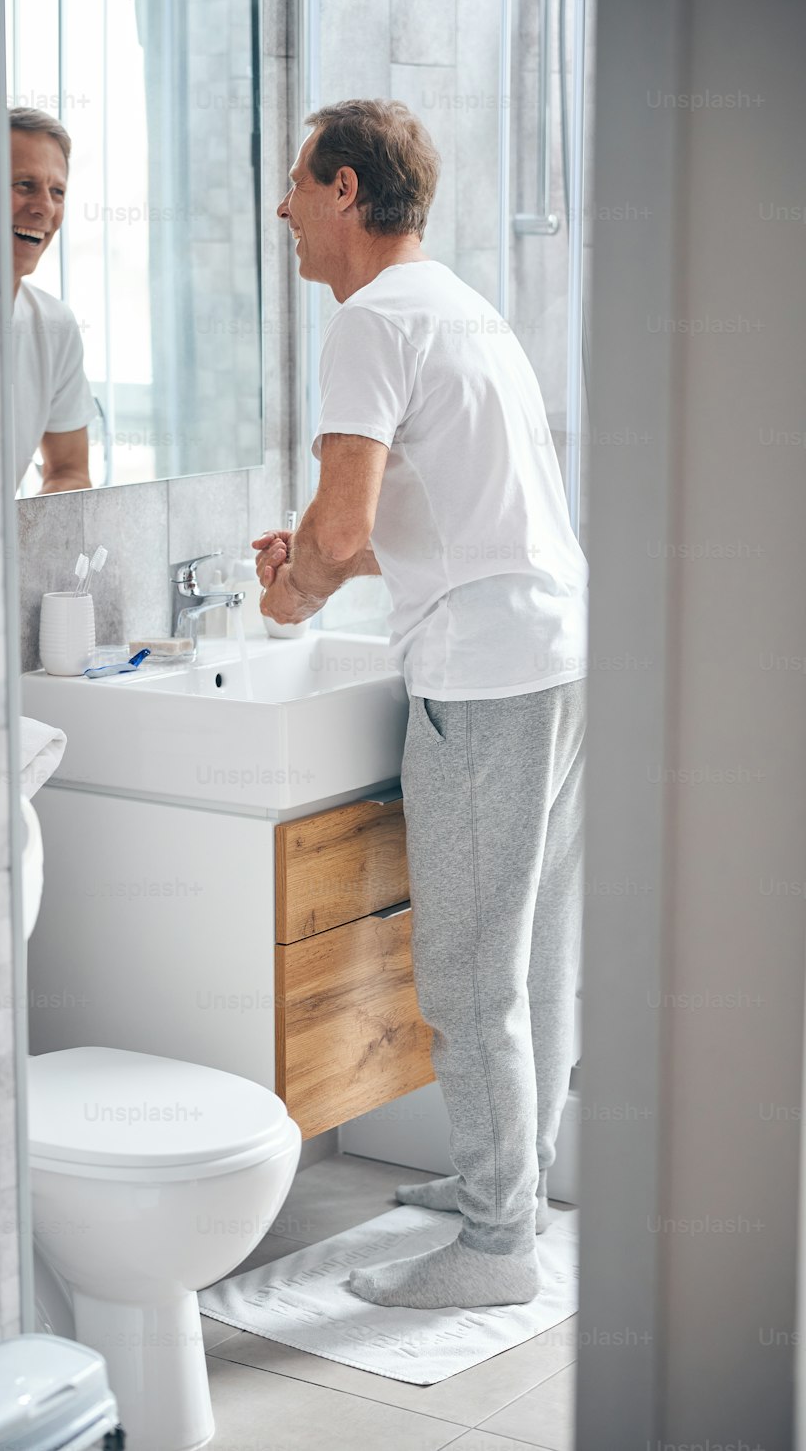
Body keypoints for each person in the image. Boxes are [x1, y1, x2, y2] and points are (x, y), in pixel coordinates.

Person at [254, 99, 588, 1311]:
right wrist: (324, 554)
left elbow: (338, 532)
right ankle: (510, 1185)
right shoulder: (458, 304)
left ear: (343, 190)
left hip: (485, 679)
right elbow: (452, 525)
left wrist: (294, 587)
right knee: (534, 956)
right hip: (554, 654)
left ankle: (497, 1247)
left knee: (462, 975)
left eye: (295, 184)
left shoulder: (368, 320)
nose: (282, 210)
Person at [9, 107, 94, 492]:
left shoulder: (54, 326)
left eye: (57, 191)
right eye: (24, 184)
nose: (44, 207)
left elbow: (69, 472)